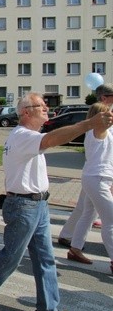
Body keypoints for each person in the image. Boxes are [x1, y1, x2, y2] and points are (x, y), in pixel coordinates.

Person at [0, 91, 112, 311]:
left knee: (45, 259)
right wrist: (88, 123)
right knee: (12, 256)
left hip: (37, 205)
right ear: (26, 112)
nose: (47, 109)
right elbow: (51, 139)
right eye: (41, 106)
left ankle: (49, 309)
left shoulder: (27, 136)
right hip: (24, 206)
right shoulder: (22, 135)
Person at [57, 83, 113, 247]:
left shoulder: (101, 124)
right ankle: (69, 238)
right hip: (97, 174)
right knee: (90, 211)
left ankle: (71, 240)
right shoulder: (100, 126)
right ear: (105, 98)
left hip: (95, 174)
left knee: (86, 209)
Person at [66, 102, 113, 273]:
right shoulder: (97, 131)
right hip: (97, 179)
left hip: (95, 177)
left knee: (88, 214)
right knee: (111, 220)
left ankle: (75, 249)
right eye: (107, 114)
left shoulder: (98, 132)